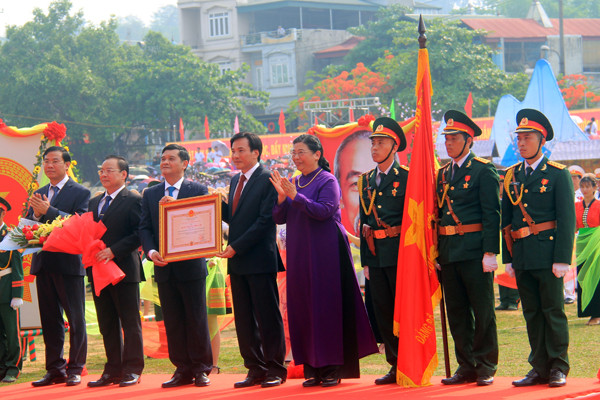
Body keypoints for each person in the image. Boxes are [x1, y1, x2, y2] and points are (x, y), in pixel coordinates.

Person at [270, 134, 378, 388]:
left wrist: (295, 195)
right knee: (304, 308)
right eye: (293, 153)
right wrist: (282, 197)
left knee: (326, 308)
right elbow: (278, 217)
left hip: (326, 253)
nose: (296, 157)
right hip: (300, 253)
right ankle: (313, 367)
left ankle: (332, 368)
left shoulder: (328, 180)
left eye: (301, 152)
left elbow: (325, 211)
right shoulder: (294, 181)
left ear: (317, 154)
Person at [502, 108, 575, 388]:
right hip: (521, 254)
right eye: (518, 138)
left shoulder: (557, 174)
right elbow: (506, 220)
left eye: (527, 138)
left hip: (548, 254)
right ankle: (539, 366)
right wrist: (508, 256)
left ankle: (558, 365)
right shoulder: (511, 176)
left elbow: (566, 219)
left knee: (553, 311)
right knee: (531, 312)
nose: (521, 143)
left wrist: (562, 259)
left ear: (541, 141)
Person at [139, 143, 213, 388]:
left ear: (185, 164)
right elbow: (145, 227)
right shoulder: (150, 193)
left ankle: (202, 368)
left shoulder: (198, 189)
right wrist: (150, 252)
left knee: (196, 318)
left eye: (171, 158)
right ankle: (182, 368)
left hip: (191, 266)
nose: (165, 162)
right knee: (173, 320)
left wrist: (179, 208)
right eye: (162, 159)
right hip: (164, 266)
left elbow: (203, 224)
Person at [217, 132, 287, 388]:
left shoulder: (268, 178)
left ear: (256, 152)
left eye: (240, 151)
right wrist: (213, 205)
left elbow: (264, 221)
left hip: (259, 259)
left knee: (267, 316)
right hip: (238, 261)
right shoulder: (236, 180)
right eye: (233, 151)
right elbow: (235, 218)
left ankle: (275, 369)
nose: (235, 156)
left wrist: (236, 246)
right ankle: (254, 368)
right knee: (244, 318)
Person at [435, 110, 500, 386]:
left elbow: (491, 214)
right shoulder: (443, 173)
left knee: (482, 309)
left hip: (475, 251)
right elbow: (438, 216)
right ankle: (466, 364)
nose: (448, 143)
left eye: (454, 138)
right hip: (450, 251)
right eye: (446, 138)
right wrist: (437, 252)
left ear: (468, 139)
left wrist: (490, 252)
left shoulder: (483, 170)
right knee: (457, 311)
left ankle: (486, 364)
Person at [27, 146, 90, 387]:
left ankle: (75, 368)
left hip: (68, 263)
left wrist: (49, 211)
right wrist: (33, 216)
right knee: (50, 320)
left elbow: (80, 223)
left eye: (54, 161)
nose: (49, 165)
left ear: (67, 165)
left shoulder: (80, 192)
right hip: (44, 263)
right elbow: (29, 223)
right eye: (46, 161)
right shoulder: (40, 192)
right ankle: (54, 368)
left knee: (76, 319)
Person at [357, 117, 408, 385]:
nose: (375, 147)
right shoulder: (366, 181)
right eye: (373, 142)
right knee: (383, 311)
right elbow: (365, 222)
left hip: (400, 254)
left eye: (381, 143)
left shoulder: (407, 177)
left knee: (404, 311)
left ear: (394, 146)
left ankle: (410, 361)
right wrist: (366, 260)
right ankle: (395, 362)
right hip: (376, 255)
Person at [87, 156, 145, 388]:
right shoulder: (94, 202)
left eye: (109, 170)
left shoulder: (133, 199)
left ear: (124, 174)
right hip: (99, 271)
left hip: (123, 269)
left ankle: (132, 369)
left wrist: (114, 250)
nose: (104, 174)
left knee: (130, 322)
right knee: (107, 322)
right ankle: (112, 369)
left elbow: (140, 232)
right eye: (101, 170)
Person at [0, 197, 24, 383]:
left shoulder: (10, 235)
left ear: (3, 213)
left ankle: (13, 367)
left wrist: (17, 295)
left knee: (11, 332)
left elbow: (17, 266)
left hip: (6, 290)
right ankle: (1, 366)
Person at [575, 174, 600, 325]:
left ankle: (597, 313)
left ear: (594, 188)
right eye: (582, 186)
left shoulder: (598, 205)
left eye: (588, 186)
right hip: (582, 243)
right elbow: (575, 226)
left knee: (596, 276)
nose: (584, 189)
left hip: (597, 243)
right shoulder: (577, 205)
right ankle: (588, 311)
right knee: (583, 275)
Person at [495, 170, 520, 311]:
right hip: (498, 236)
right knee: (501, 270)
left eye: (501, 184)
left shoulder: (511, 200)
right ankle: (504, 299)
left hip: (508, 236)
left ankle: (513, 299)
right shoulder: (495, 201)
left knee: (510, 267)